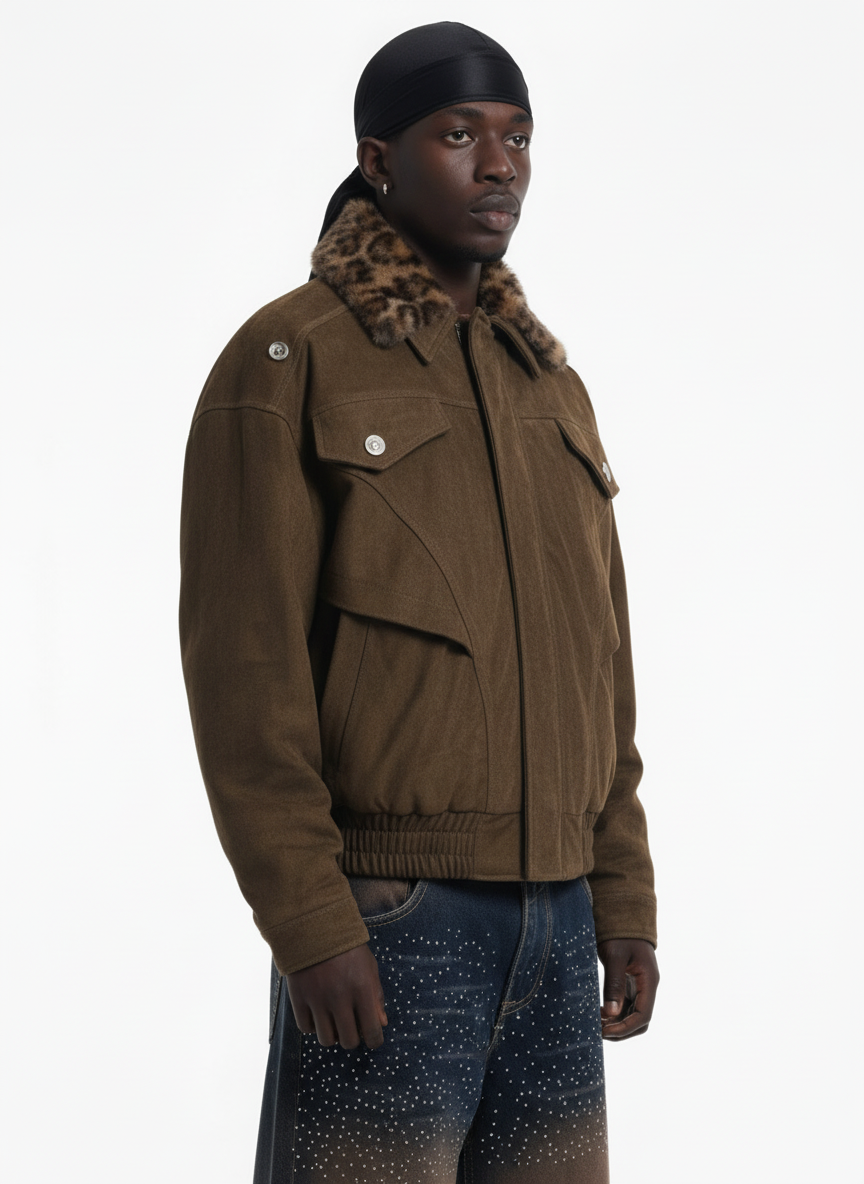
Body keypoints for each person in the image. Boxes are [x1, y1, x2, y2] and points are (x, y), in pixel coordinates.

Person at [180, 21, 659, 1184]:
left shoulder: (552, 386)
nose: (500, 165)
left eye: (518, 138)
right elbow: (246, 674)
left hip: (559, 924)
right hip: (395, 921)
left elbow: (602, 662)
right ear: (379, 158)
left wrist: (623, 892)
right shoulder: (288, 360)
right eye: (459, 135)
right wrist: (309, 918)